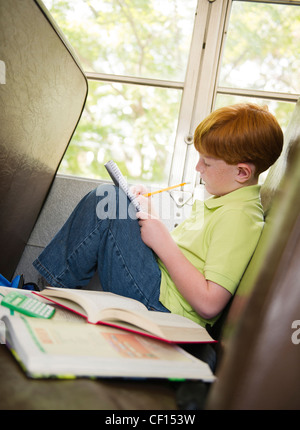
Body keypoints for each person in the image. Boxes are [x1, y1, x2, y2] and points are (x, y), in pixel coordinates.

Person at [33, 103, 283, 330]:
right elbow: (187, 257)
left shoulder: (239, 218)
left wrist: (162, 241)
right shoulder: (224, 202)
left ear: (241, 172)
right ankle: (45, 291)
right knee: (114, 201)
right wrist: (150, 215)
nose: (198, 168)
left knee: (107, 201)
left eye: (206, 163)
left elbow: (209, 303)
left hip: (165, 308)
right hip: (159, 285)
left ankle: (42, 295)